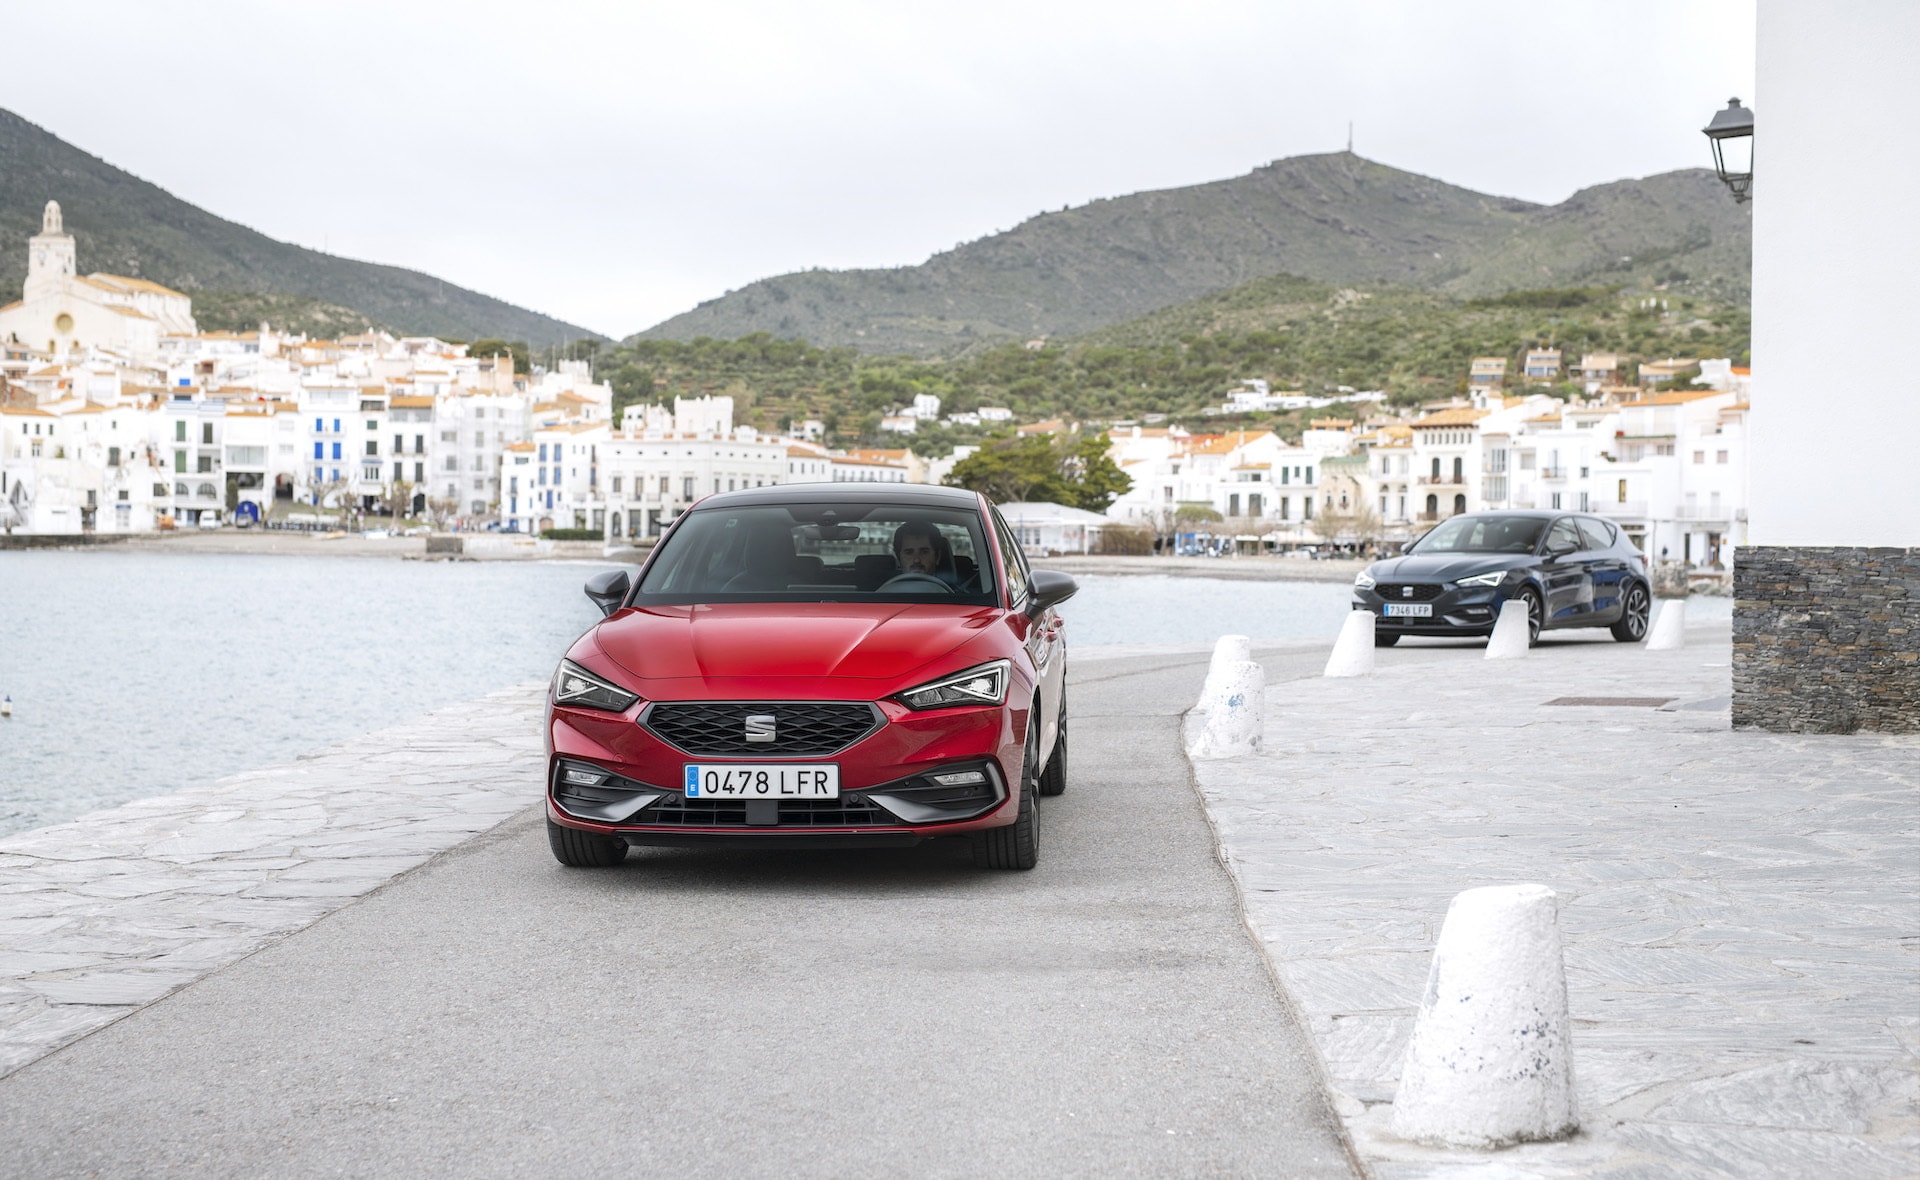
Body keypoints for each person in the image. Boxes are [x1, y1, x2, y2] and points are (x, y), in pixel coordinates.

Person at [890, 519, 962, 587]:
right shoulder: (883, 595)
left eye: (924, 552)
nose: (916, 560)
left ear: (937, 557)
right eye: (909, 552)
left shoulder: (958, 597)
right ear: (898, 558)